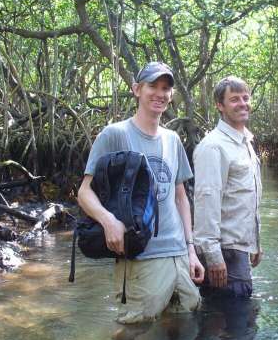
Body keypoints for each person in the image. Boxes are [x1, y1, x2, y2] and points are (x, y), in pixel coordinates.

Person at [77, 61, 205, 324]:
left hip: (178, 254)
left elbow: (180, 196)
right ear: (137, 89)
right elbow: (84, 193)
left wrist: (191, 250)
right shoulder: (114, 134)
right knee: (135, 336)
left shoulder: (172, 139)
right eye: (152, 86)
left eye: (166, 88)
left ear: (171, 96)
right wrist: (108, 220)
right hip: (141, 258)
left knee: (182, 329)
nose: (160, 93)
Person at [193, 76, 262, 298]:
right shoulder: (213, 146)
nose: (242, 103)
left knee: (234, 323)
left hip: (239, 249)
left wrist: (255, 243)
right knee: (234, 324)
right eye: (234, 99)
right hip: (224, 253)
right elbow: (206, 201)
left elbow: (245, 199)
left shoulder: (245, 143)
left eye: (245, 97)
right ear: (220, 106)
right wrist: (213, 257)